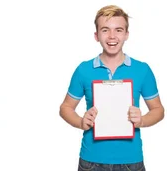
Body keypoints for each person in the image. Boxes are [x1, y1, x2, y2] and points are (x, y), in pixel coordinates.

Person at [59, 5, 164, 171]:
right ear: (96, 35)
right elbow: (65, 107)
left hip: (131, 161)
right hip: (91, 161)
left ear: (127, 34)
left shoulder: (142, 70)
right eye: (105, 30)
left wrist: (142, 120)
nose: (112, 36)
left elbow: (158, 110)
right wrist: (80, 121)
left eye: (119, 30)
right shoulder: (83, 70)